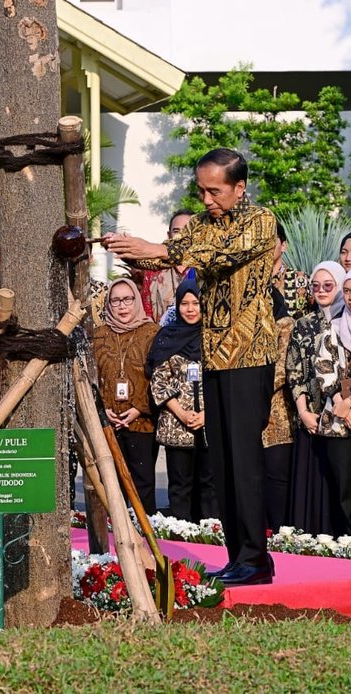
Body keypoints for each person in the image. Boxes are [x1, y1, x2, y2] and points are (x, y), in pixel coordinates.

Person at [105, 148, 277, 585]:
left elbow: (217, 254)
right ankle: (239, 555)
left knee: (243, 460)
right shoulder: (201, 224)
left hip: (248, 356)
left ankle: (257, 559)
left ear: (240, 188)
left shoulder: (259, 221)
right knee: (221, 463)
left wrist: (159, 248)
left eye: (214, 191)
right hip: (212, 358)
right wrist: (127, 250)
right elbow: (169, 255)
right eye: (200, 190)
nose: (205, 200)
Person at [147, 276, 218, 522]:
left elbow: (222, 380)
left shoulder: (214, 338)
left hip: (210, 424)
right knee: (180, 487)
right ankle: (181, 541)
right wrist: (182, 413)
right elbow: (158, 381)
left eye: (196, 303)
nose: (190, 309)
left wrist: (207, 414)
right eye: (184, 303)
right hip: (177, 425)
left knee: (210, 488)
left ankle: (209, 541)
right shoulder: (168, 337)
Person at [286, 260, 346, 535]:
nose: (321, 291)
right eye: (316, 286)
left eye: (328, 286)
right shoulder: (303, 324)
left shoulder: (347, 322)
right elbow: (294, 370)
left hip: (340, 418)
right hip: (310, 415)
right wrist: (303, 411)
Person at [92, 278, 159, 514]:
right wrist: (104, 409)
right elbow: (92, 375)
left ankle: (147, 535)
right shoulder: (99, 335)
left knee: (142, 482)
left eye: (128, 299)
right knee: (112, 484)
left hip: (142, 420)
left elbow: (158, 375)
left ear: (136, 300)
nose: (122, 306)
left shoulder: (152, 332)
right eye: (116, 300)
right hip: (109, 420)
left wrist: (139, 408)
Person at [314, 268, 351, 535]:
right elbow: (324, 368)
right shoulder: (334, 328)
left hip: (346, 410)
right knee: (344, 489)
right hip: (339, 423)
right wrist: (342, 404)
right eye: (348, 291)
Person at [263, 287, 296, 532]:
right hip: (250, 417)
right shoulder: (249, 329)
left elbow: (283, 368)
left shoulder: (285, 325)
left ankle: (279, 535)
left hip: (278, 415)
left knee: (276, 478)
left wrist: (248, 387)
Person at [140, 210, 195, 322]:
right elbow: (147, 312)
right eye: (176, 231)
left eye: (187, 230)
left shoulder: (206, 268)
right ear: (169, 235)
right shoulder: (154, 271)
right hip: (161, 335)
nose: (181, 236)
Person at [271, 221, 311, 319]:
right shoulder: (250, 281)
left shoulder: (301, 280)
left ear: (283, 246)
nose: (266, 247)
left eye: (271, 241)